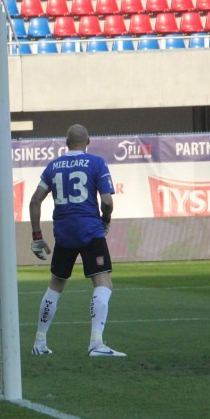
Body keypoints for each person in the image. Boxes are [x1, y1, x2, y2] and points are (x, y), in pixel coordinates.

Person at [29, 124, 124, 357]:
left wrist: (37, 236)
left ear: (66, 142)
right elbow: (107, 201)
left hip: (63, 233)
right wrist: (105, 220)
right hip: (90, 230)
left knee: (55, 285)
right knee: (103, 283)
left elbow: (34, 201)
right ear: (88, 141)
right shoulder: (97, 163)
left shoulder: (53, 166)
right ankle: (96, 343)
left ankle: (39, 342)